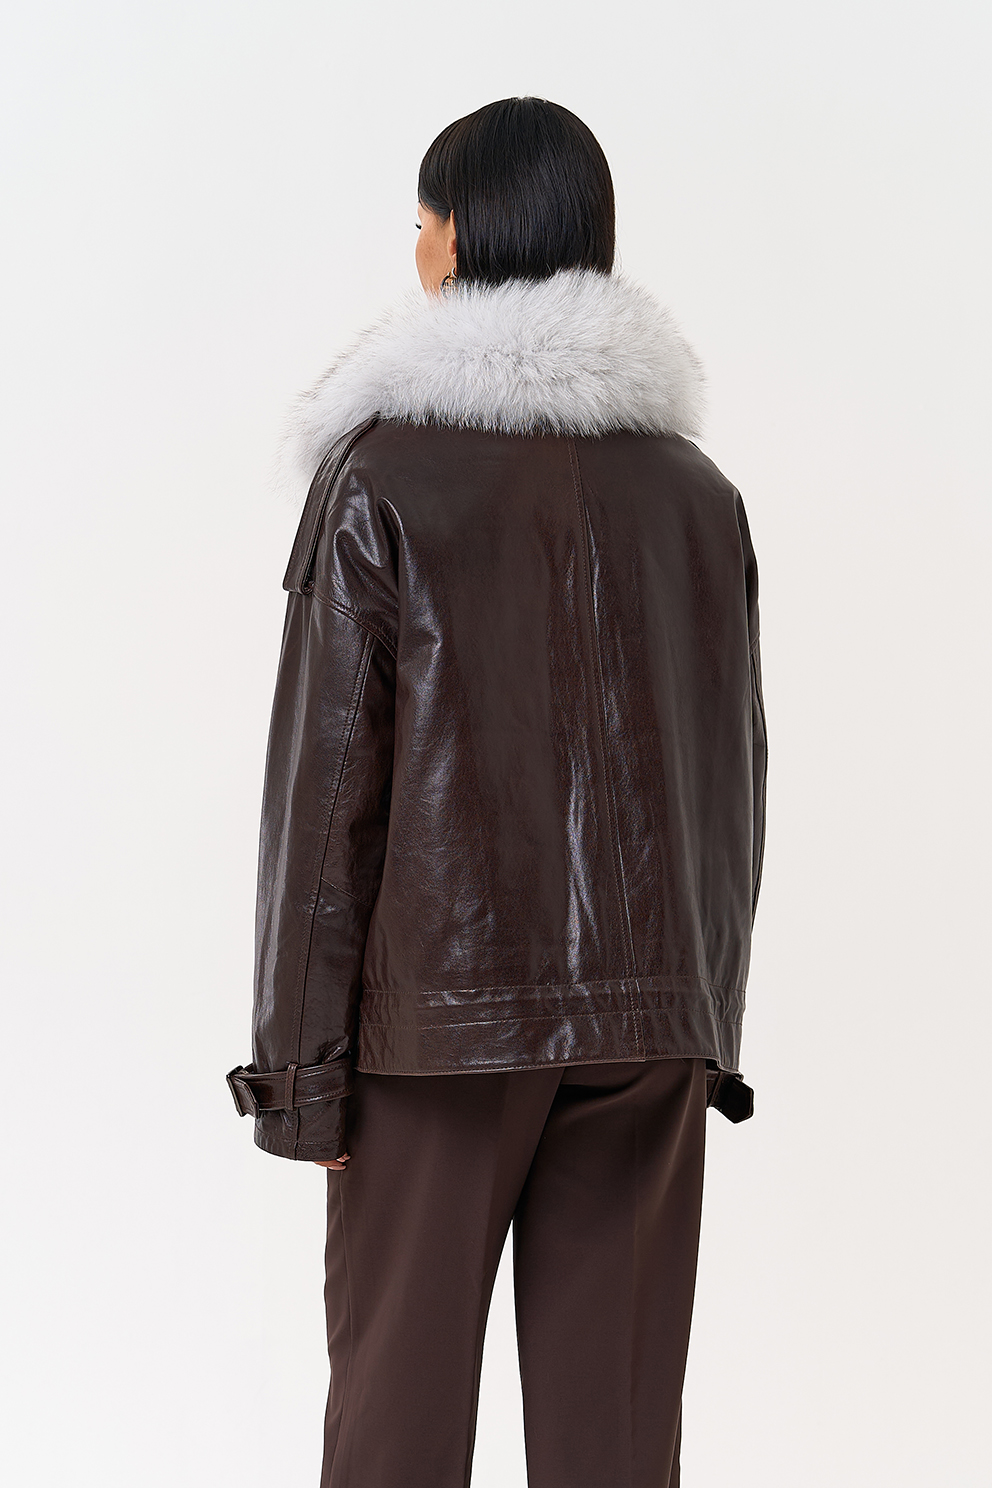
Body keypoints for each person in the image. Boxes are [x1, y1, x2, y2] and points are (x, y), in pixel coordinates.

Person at [227, 95, 768, 1488]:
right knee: (618, 1449)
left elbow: (327, 796)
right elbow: (733, 778)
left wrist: (303, 1080)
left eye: (421, 223)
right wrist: (704, 1019)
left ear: (464, 237)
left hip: (437, 1041)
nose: (414, 249)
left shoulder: (380, 476)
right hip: (651, 1026)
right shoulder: (697, 495)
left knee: (396, 1440)